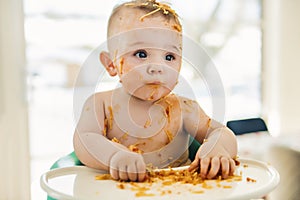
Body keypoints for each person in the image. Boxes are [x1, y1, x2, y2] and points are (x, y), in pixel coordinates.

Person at [73, 0, 237, 182]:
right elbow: (84, 139)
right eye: (141, 54)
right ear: (111, 64)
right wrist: (113, 156)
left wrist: (217, 147)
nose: (158, 67)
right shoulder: (100, 104)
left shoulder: (184, 108)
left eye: (169, 57)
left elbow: (222, 132)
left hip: (180, 192)